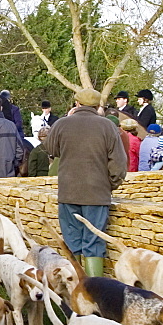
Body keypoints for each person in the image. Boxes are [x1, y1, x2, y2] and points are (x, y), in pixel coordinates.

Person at [43, 87, 126, 277]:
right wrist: (110, 184)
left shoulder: (62, 124)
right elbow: (119, 164)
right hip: (97, 194)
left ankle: (75, 288)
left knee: (72, 241)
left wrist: (67, 117)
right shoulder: (108, 126)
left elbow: (50, 148)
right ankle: (95, 291)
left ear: (77, 104)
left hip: (68, 192)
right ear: (98, 106)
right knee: (94, 241)